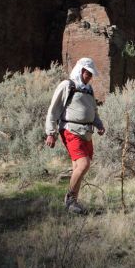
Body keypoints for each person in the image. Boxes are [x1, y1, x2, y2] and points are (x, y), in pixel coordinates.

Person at [45, 57, 105, 214]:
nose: (90, 77)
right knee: (84, 164)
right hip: (70, 130)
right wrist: (51, 133)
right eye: (88, 73)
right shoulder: (67, 85)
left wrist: (98, 123)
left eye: (91, 74)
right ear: (81, 71)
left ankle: (73, 206)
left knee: (78, 167)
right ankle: (70, 198)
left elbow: (94, 110)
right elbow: (53, 110)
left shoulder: (89, 90)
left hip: (87, 133)